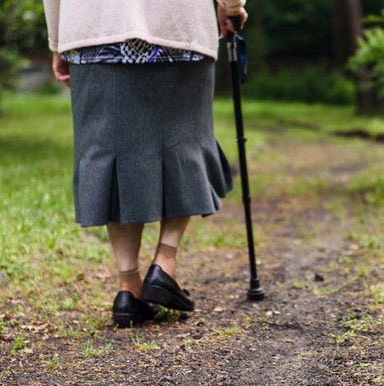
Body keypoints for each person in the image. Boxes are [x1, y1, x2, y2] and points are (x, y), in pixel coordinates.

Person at [43, 0, 248, 328]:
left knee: (111, 152)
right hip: (177, 25)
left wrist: (58, 39)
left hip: (93, 26)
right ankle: (164, 262)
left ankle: (128, 287)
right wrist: (232, 5)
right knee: (183, 144)